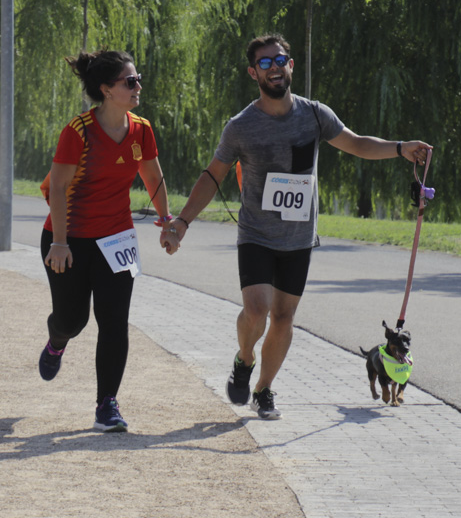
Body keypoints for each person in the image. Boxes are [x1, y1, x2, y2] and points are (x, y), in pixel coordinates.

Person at [161, 34, 431, 420]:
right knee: (256, 310)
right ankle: (244, 358)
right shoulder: (241, 126)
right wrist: (182, 222)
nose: (274, 68)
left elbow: (356, 144)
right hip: (255, 233)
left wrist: (400, 147)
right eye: (265, 63)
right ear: (253, 72)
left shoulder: (314, 114)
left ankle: (264, 389)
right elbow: (213, 175)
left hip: (298, 238)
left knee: (284, 319)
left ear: (291, 65)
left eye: (280, 60)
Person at [39, 49, 172, 433]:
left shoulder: (141, 129)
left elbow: (153, 177)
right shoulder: (77, 131)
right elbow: (59, 188)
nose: (137, 87)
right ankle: (56, 340)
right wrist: (60, 243)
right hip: (69, 239)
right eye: (129, 81)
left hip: (116, 239)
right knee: (73, 319)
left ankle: (106, 405)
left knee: (114, 322)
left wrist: (166, 222)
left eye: (138, 79)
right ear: (106, 89)